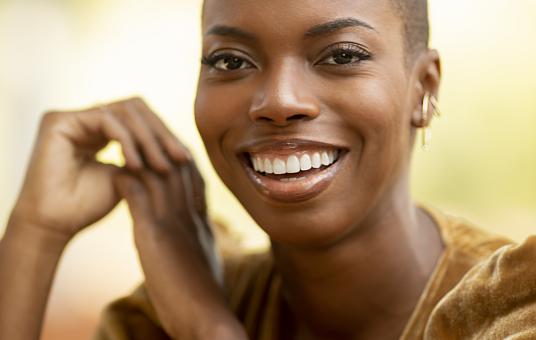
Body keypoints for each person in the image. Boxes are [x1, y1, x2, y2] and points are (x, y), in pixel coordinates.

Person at [1, 0, 535, 339]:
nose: (278, 101)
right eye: (231, 60)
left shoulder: (507, 314)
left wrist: (205, 328)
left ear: (425, 89)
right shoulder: (169, 308)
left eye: (341, 55)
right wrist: (34, 233)